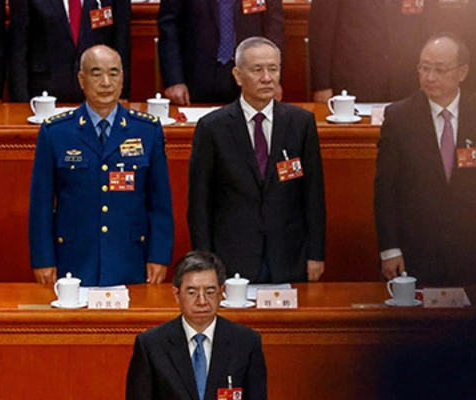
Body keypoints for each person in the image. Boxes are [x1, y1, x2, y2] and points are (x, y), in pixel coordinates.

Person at [126, 250, 267, 400]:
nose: (202, 300)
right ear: (176, 294)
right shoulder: (151, 345)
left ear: (222, 292)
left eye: (210, 291)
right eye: (192, 292)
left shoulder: (246, 343)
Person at [28, 44, 172, 288]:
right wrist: (43, 259)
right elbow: (41, 204)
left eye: (114, 73)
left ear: (123, 78)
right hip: (74, 259)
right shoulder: (56, 132)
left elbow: (160, 203)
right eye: (96, 74)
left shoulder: (147, 130)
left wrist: (158, 256)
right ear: (81, 80)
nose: (106, 82)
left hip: (130, 258)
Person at [374, 33, 476, 286]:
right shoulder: (399, 117)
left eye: (440, 69)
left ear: (463, 72)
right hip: (416, 248)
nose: (430, 77)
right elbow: (385, 190)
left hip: (473, 248)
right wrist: (390, 249)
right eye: (424, 68)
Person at [188, 37, 326, 284]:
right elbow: (199, 204)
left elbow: (313, 196)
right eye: (257, 69)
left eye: (273, 69)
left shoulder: (301, 123)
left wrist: (316, 255)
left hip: (289, 256)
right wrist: (205, 264)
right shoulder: (212, 128)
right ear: (238, 75)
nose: (267, 78)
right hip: (231, 259)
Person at [309, 0, 441, 106]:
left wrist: (429, 76)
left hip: (407, 83)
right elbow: (321, 31)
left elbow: (430, 28)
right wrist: (322, 86)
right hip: (354, 84)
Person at [158, 0, 285, 106]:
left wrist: (274, 79)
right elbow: (169, 28)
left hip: (251, 75)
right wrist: (174, 80)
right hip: (195, 77)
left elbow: (274, 27)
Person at [8, 0, 132, 105]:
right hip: (45, 96)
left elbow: (122, 40)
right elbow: (18, 46)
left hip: (100, 94)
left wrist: (121, 93)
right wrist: (20, 102)